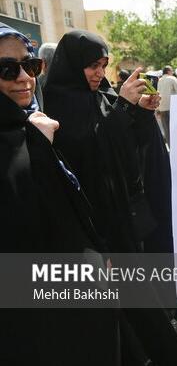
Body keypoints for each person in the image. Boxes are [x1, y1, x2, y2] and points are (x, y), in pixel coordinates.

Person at [43, 30, 177, 365]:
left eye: (103, 65)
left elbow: (124, 145)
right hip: (92, 222)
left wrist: (142, 113)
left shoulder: (100, 96)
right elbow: (90, 150)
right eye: (91, 65)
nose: (99, 73)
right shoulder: (58, 103)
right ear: (73, 65)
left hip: (119, 215)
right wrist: (124, 106)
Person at [0, 22, 121, 365]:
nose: (24, 78)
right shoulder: (28, 134)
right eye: (7, 69)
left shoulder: (30, 124)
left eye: (30, 65)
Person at [157, 65, 177, 144]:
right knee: (175, 128)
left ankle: (170, 147)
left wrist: (157, 109)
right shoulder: (172, 78)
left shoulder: (159, 80)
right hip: (172, 107)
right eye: (172, 71)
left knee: (166, 130)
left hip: (162, 108)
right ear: (169, 71)